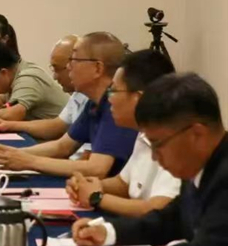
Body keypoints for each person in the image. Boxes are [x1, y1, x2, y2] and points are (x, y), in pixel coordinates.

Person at [72, 73, 228, 246]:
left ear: (196, 134)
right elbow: (170, 220)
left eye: (158, 144)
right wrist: (108, 231)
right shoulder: (201, 164)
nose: (154, 156)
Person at [0, 32, 136, 178]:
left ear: (98, 68)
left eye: (74, 60)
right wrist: (13, 154)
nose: (68, 67)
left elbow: (96, 169)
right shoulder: (94, 102)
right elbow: (62, 146)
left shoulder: (116, 104)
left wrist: (30, 161)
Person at [66, 50, 179, 217]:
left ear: (138, 98)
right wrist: (89, 185)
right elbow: (124, 184)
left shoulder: (178, 141)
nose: (109, 99)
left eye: (114, 91)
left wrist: (97, 197)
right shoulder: (144, 133)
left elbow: (157, 209)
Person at [0, 35, 89, 141]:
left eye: (58, 69)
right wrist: (8, 125)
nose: (54, 77)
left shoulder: (28, 76)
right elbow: (56, 126)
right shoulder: (78, 95)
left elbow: (63, 146)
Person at [0, 40, 68, 122]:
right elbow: (4, 98)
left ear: (3, 73)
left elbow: (12, 114)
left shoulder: (28, 78)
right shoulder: (17, 71)